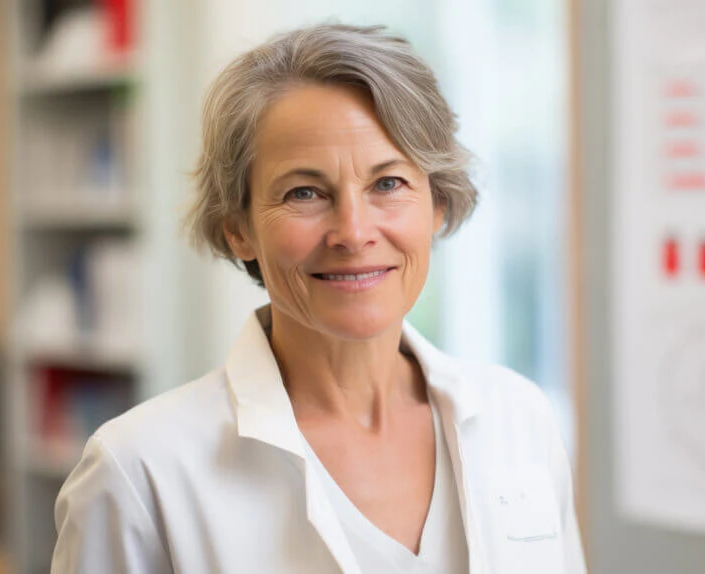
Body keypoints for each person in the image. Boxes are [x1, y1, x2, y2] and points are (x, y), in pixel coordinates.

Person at [51, 24, 586, 574]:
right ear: (238, 228)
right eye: (304, 192)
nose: (353, 232)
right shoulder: (138, 473)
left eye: (388, 183)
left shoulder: (519, 419)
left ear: (438, 204)